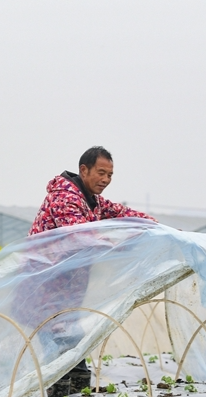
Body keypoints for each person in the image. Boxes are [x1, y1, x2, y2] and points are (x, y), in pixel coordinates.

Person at [29, 146, 156, 397]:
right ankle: (59, 390)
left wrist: (155, 226)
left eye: (110, 175)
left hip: (68, 291)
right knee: (60, 347)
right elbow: (83, 238)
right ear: (83, 170)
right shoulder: (65, 199)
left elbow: (122, 213)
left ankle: (74, 387)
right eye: (101, 173)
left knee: (72, 344)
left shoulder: (92, 200)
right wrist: (122, 245)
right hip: (45, 288)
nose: (105, 180)